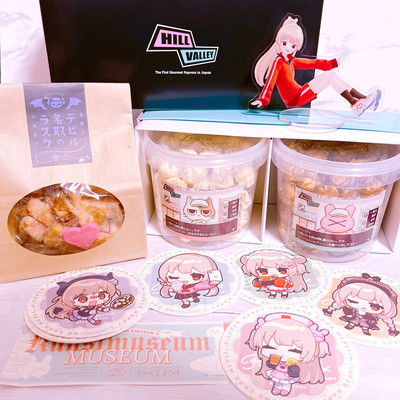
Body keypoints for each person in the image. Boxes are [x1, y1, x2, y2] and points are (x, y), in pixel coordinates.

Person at [250, 15, 381, 117]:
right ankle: (356, 104)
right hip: (296, 98)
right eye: (285, 43)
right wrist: (263, 99)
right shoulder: (278, 62)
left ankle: (364, 100)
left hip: (300, 92)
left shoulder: (290, 61)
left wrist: (333, 62)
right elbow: (270, 83)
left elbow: (312, 63)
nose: (289, 48)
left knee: (331, 75)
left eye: (293, 45)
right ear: (279, 42)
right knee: (329, 76)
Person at [247, 312, 330, 397]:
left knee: (286, 383)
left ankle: (286, 389)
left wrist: (293, 369)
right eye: (268, 347)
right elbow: (270, 364)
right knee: (277, 382)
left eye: (295, 350)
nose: (281, 354)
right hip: (276, 373)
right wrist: (271, 363)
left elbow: (296, 370)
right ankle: (277, 388)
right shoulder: (275, 360)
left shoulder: (293, 363)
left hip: (288, 375)